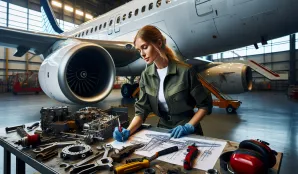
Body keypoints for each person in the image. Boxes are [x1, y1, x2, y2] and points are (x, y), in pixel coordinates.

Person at [113, 25, 212, 142]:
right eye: (139, 50)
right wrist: (128, 131)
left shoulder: (185, 71)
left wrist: (189, 126)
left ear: (159, 43)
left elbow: (205, 105)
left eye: (145, 47)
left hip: (187, 131)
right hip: (163, 131)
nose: (142, 54)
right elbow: (141, 110)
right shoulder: (146, 75)